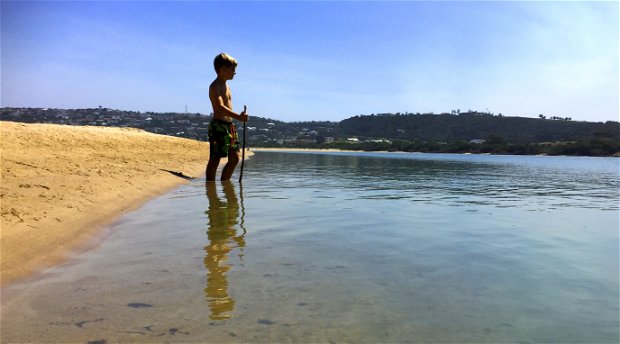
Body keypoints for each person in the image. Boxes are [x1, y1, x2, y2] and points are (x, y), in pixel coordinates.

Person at [206, 53, 249, 181]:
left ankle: (225, 184)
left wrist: (237, 118)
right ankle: (210, 186)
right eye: (232, 69)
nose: (234, 72)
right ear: (222, 69)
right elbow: (220, 107)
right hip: (218, 125)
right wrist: (238, 117)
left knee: (235, 158)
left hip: (229, 126)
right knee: (216, 157)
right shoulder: (215, 86)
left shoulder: (227, 86)